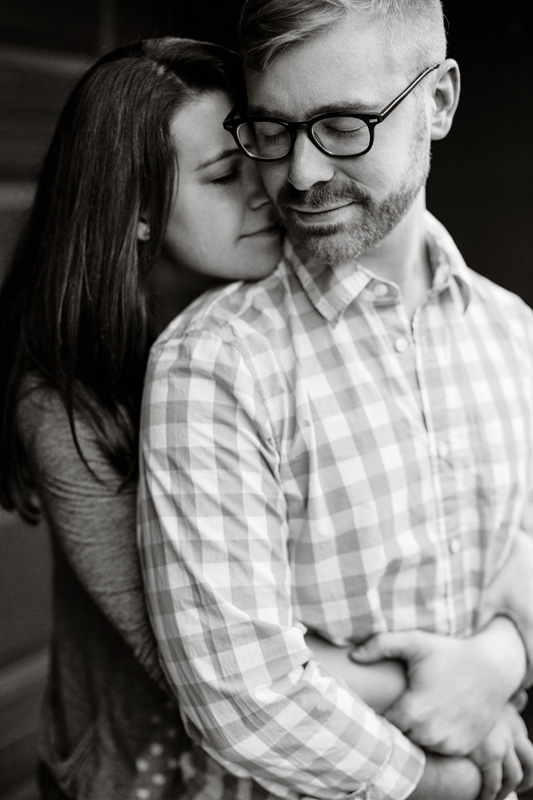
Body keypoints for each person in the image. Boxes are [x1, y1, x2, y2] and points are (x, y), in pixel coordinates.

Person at [137, 2, 533, 800]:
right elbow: (240, 696)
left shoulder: (512, 329)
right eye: (272, 129)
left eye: (343, 126)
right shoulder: (214, 363)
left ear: (438, 102)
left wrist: (502, 656)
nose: (299, 174)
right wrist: (450, 783)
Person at [0, 36, 282, 799]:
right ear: (136, 213)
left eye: (262, 156)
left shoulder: (291, 318)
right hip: (139, 772)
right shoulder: (65, 401)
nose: (265, 190)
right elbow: (189, 662)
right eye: (223, 175)